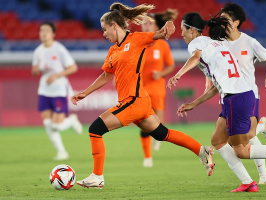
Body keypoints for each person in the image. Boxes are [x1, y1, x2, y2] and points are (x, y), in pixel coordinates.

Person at [71, 3, 215, 189]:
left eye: (105, 29)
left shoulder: (137, 38)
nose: (104, 34)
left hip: (134, 100)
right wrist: (85, 93)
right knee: (163, 134)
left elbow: (160, 35)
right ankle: (201, 150)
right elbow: (107, 75)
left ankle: (97, 176)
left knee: (95, 129)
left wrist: (168, 26)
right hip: (139, 102)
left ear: (115, 25)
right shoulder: (113, 51)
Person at [167, 12, 266, 192]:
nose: (181, 34)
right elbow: (216, 86)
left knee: (242, 150)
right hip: (240, 95)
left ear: (191, 30)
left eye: (183, 30)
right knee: (218, 140)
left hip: (235, 98)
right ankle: (247, 182)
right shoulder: (215, 44)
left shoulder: (196, 43)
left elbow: (195, 57)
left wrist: (178, 74)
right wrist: (194, 104)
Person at [217, 2, 266, 184]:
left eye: (225, 19)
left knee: (248, 136)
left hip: (249, 95)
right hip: (227, 96)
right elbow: (214, 67)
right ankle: (263, 175)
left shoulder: (249, 42)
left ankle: (261, 127)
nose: (221, 22)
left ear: (235, 22)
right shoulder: (219, 44)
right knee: (242, 139)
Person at [32, 21, 83, 161]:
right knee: (48, 124)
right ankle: (62, 152)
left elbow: (73, 67)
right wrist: (36, 70)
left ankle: (72, 121)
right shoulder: (38, 51)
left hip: (59, 90)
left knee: (56, 125)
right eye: (41, 30)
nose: (43, 33)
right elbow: (35, 70)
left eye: (47, 30)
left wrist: (56, 75)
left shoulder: (59, 49)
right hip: (44, 90)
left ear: (53, 34)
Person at [139, 9, 177, 167]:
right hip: (140, 90)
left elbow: (171, 66)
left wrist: (160, 73)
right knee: (143, 122)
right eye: (144, 23)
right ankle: (147, 157)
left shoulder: (162, 45)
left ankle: (158, 138)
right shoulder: (137, 43)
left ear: (155, 26)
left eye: (150, 23)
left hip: (157, 89)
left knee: (159, 123)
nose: (147, 26)